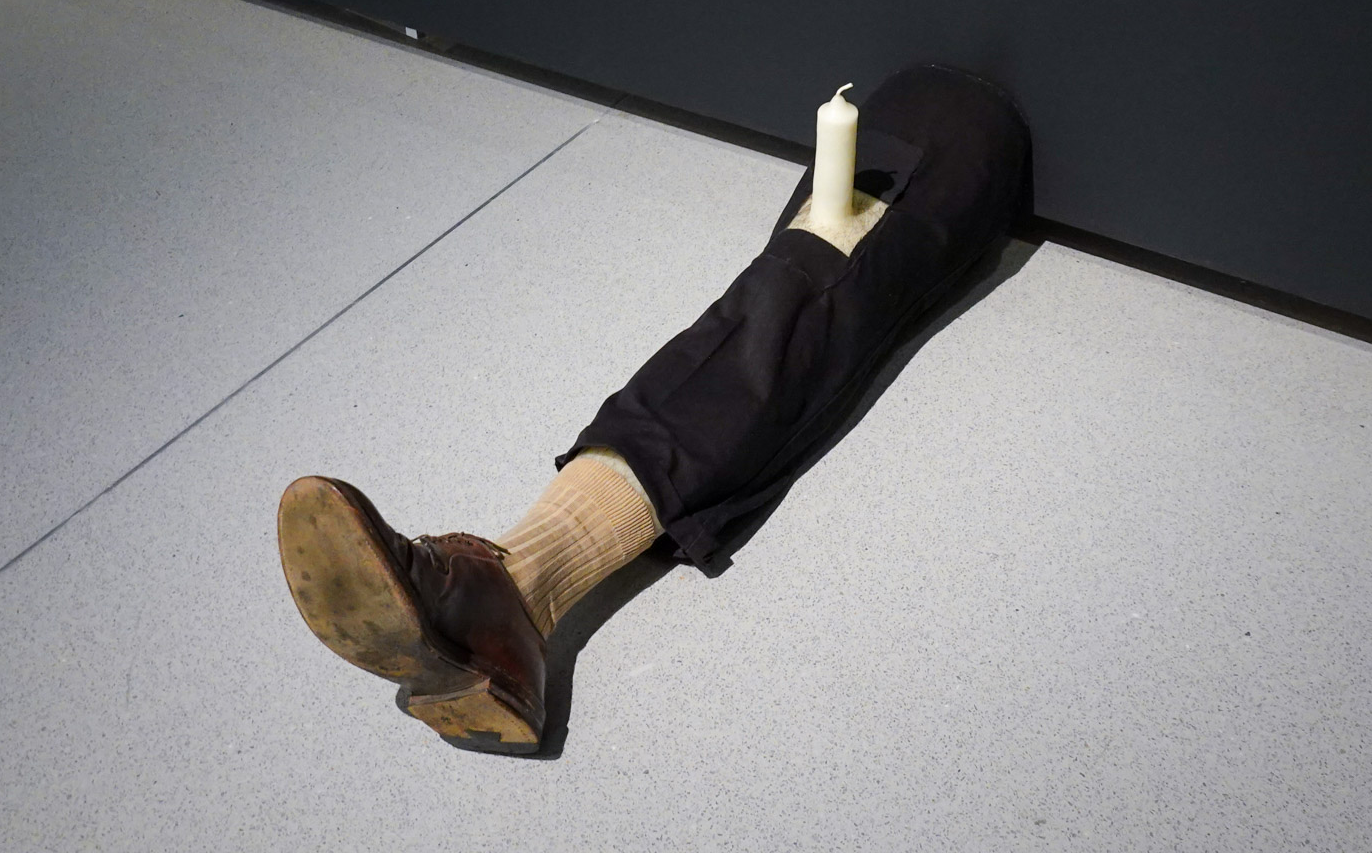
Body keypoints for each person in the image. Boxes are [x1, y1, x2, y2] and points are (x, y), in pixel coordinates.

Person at [276, 64, 1031, 754]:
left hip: (957, 134)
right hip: (946, 127)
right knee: (791, 296)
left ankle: (506, 598)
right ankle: (509, 602)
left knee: (794, 300)